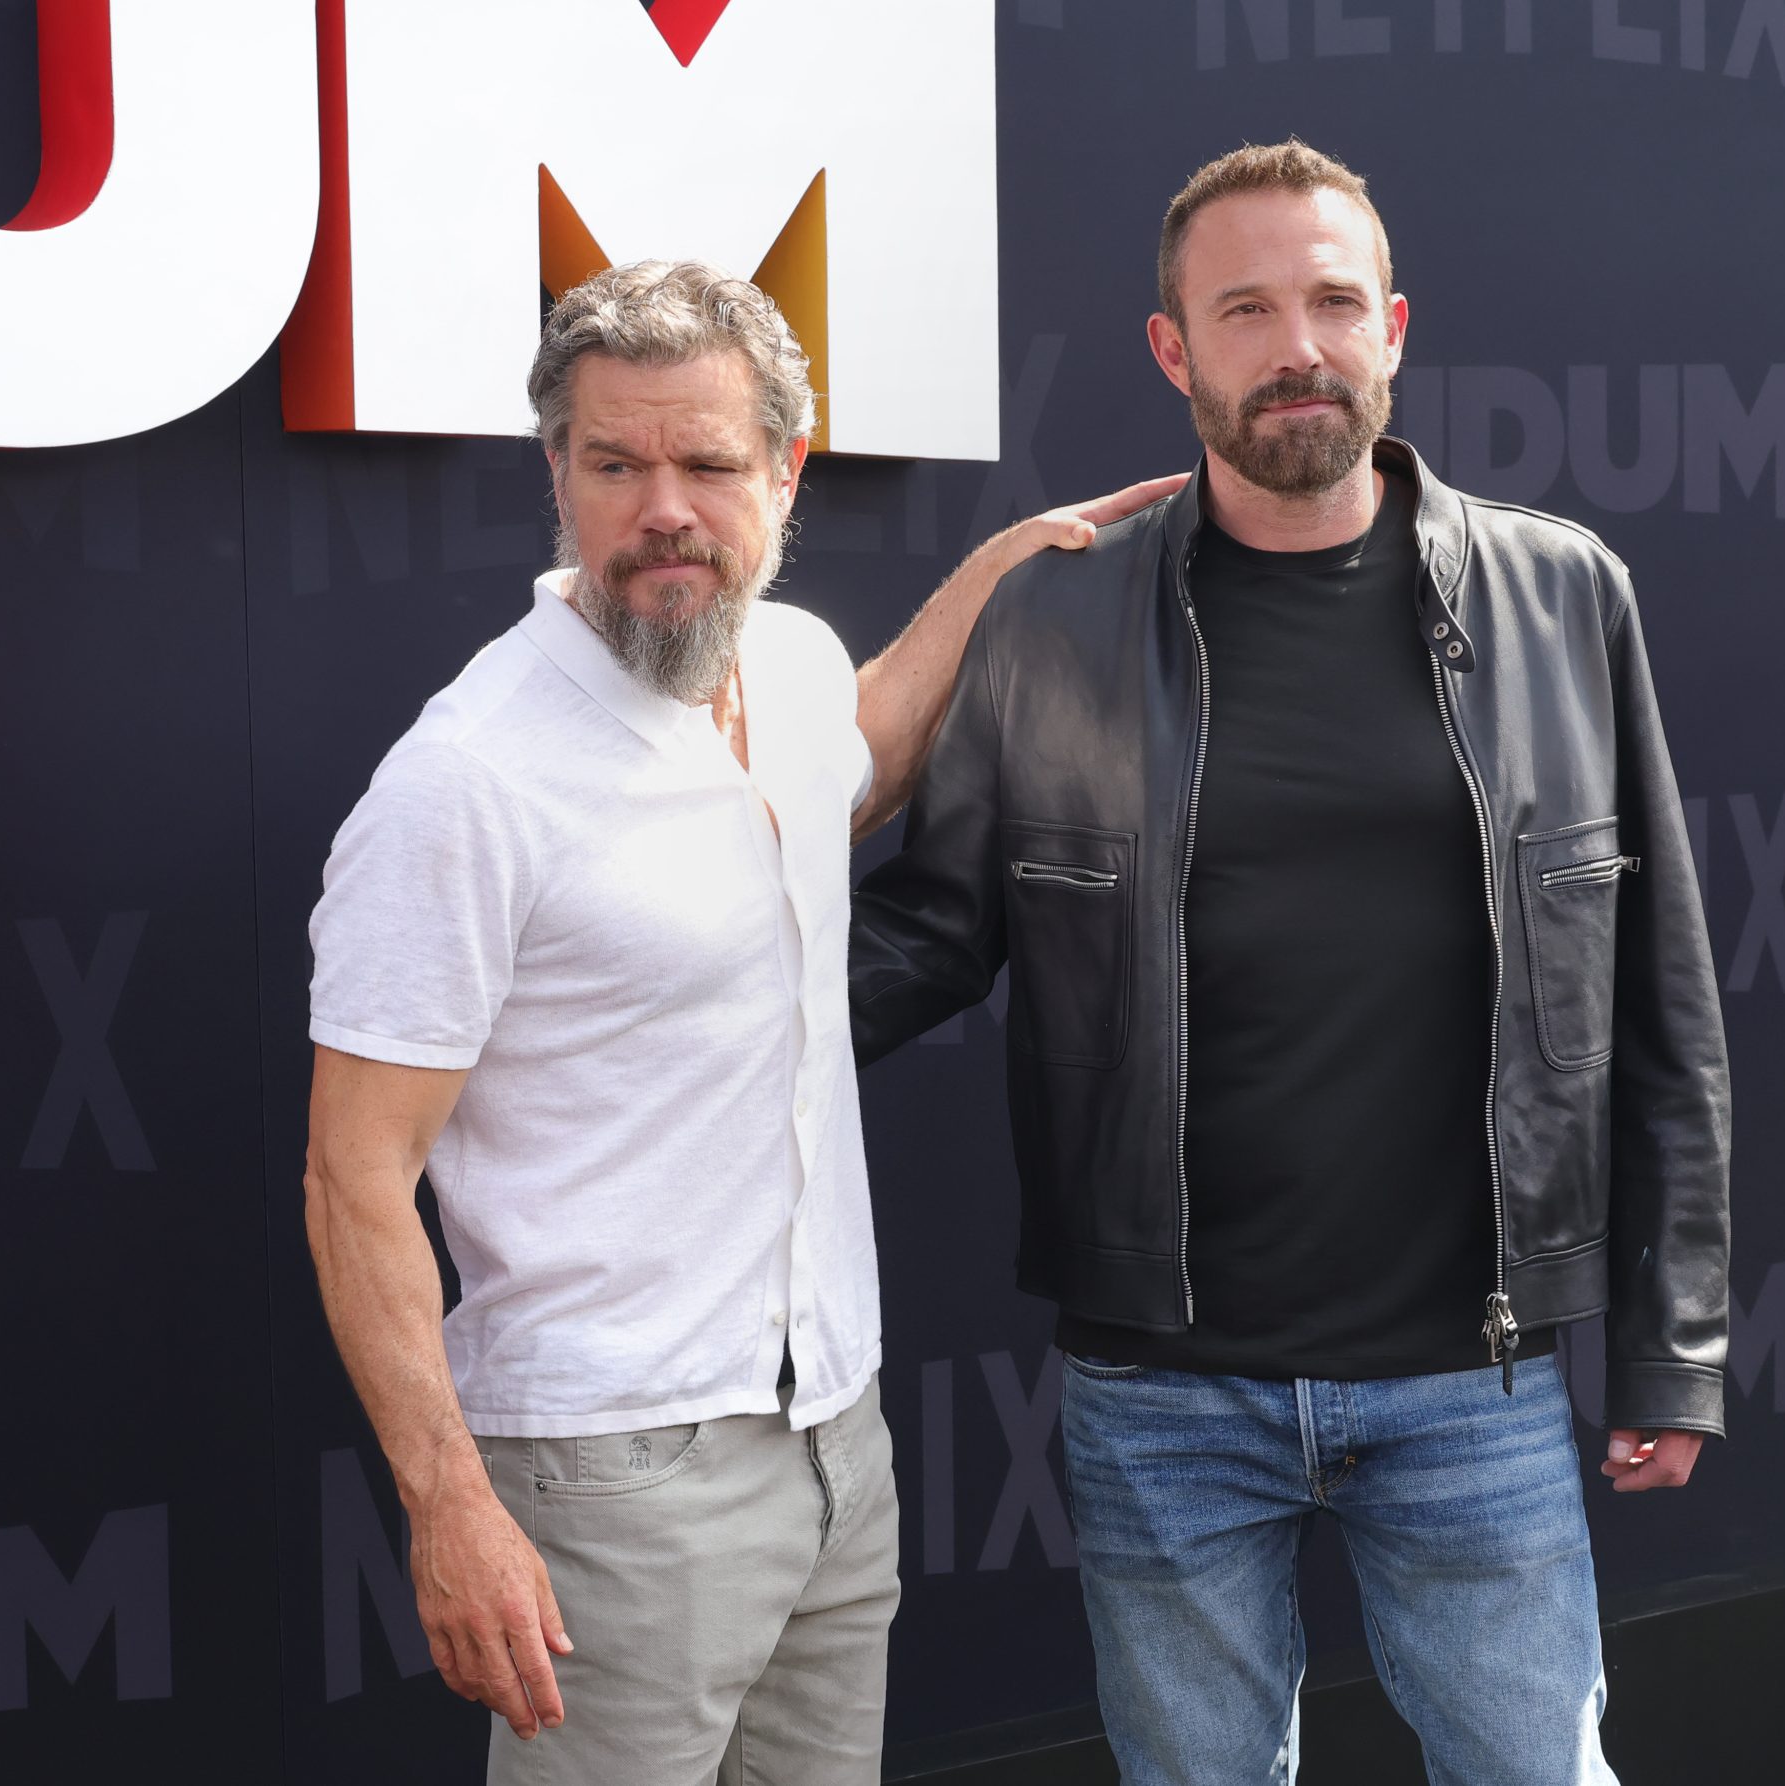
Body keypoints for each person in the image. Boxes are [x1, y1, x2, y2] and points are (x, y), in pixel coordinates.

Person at [848, 142, 1732, 1784]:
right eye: (1244, 310)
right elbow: (929, 929)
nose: (1297, 346)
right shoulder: (1059, 620)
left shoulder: (1561, 596)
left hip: (1469, 1377)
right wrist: (678, 1019)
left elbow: (1661, 992)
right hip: (1163, 1388)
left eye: (1332, 301)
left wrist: (1672, 1341)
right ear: (1172, 349)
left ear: (1392, 326)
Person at [301, 258, 1177, 1785]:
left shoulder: (788, 660)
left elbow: (866, 749)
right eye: (614, 465)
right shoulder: (467, 781)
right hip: (610, 1475)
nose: (664, 512)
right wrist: (448, 1502)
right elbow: (353, 1175)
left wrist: (1002, 567)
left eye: (708, 464)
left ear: (785, 469)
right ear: (557, 476)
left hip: (835, 1436)